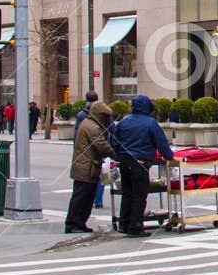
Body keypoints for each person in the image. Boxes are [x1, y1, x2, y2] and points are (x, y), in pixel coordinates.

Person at [108, 94, 174, 236]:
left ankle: (123, 224)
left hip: (125, 163)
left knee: (127, 194)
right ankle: (135, 226)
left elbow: (113, 143)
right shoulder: (150, 123)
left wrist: (120, 156)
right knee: (139, 195)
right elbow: (161, 143)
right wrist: (169, 156)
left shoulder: (124, 122)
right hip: (140, 163)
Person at [66, 100, 115, 233]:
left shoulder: (90, 124)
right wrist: (115, 154)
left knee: (86, 198)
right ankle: (73, 224)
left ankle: (79, 223)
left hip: (88, 167)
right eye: (105, 117)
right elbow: (101, 145)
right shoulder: (92, 127)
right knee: (81, 197)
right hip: (85, 168)